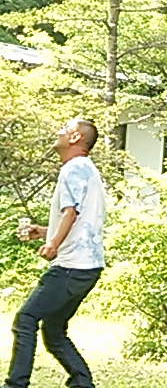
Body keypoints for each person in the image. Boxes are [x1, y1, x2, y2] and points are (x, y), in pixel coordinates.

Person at [6, 118, 106, 388]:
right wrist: (45, 232)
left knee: (26, 319)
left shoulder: (73, 167)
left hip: (71, 266)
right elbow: (80, 218)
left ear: (75, 138)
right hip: (88, 266)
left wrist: (52, 245)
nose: (58, 132)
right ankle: (82, 383)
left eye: (64, 129)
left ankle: (15, 384)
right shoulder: (88, 169)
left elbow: (70, 212)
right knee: (53, 330)